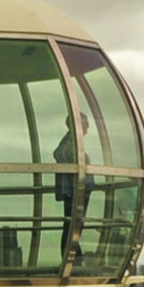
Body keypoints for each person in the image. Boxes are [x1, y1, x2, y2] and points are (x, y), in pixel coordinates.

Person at [51, 113, 90, 264]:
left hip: (78, 189)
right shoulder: (71, 140)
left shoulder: (74, 141)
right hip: (75, 190)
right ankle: (73, 257)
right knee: (73, 224)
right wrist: (71, 174)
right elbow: (58, 153)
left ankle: (73, 255)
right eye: (85, 124)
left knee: (74, 224)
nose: (88, 127)